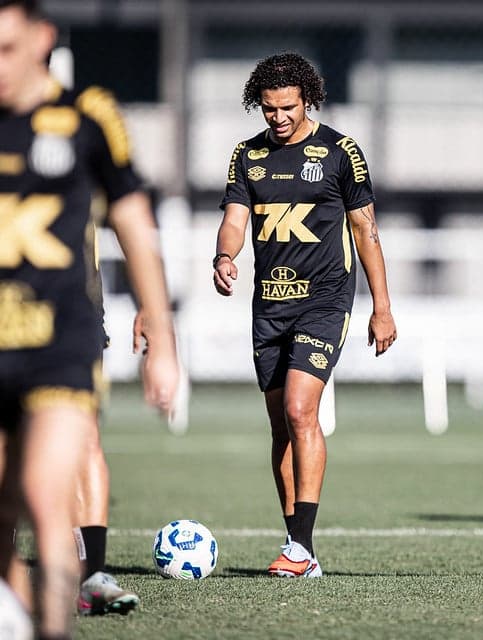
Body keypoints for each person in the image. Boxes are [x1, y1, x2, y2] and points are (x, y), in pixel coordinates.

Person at [0, 0, 179, 636]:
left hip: (61, 343)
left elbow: (133, 218)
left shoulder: (86, 116)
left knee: (48, 501)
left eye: (8, 49)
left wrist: (161, 331)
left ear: (42, 37)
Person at [214, 52, 396, 577]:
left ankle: (299, 547)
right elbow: (233, 220)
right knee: (280, 428)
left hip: (324, 301)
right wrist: (225, 256)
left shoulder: (340, 152)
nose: (278, 118)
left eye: (288, 107)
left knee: (300, 410)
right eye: (269, 109)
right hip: (269, 307)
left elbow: (366, 231)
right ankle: (301, 547)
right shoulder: (247, 157)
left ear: (308, 100)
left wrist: (381, 307)